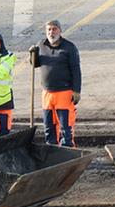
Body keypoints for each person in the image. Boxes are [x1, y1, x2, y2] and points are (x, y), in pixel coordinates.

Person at [28, 19, 81, 147]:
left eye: (54, 29)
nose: (51, 32)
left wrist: (76, 91)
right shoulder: (41, 45)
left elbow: (76, 70)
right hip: (47, 93)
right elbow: (35, 64)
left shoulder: (69, 47)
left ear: (60, 30)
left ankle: (67, 151)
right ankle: (51, 151)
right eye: (49, 30)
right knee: (49, 127)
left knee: (65, 127)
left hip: (64, 92)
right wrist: (32, 55)